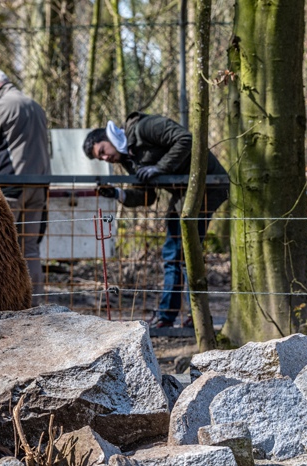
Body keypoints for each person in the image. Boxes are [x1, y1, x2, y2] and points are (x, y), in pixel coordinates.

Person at [83, 112, 229, 328]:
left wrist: (160, 168)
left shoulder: (143, 128)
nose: (105, 158)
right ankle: (173, 316)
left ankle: (189, 317)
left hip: (207, 185)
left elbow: (185, 139)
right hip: (184, 193)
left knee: (181, 252)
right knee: (176, 253)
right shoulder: (129, 159)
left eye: (102, 151)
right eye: (100, 158)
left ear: (108, 137)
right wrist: (117, 194)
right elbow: (147, 195)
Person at [0, 68, 51, 304]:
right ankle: (34, 302)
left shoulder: (1, 106)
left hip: (12, 185)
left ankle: (3, 303)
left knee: (1, 246)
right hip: (39, 185)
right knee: (30, 249)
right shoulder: (35, 106)